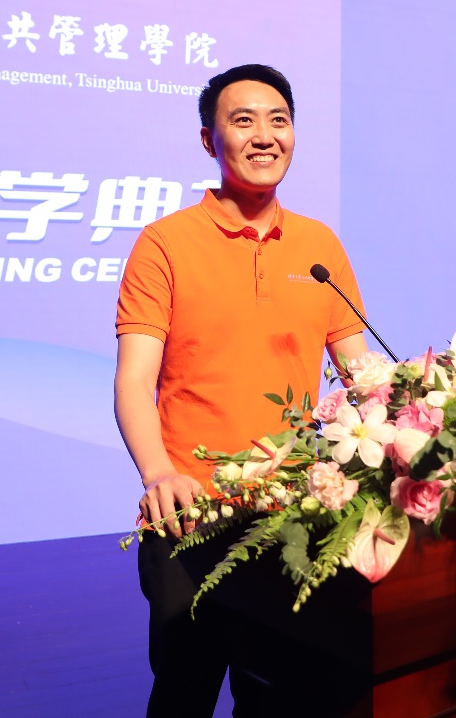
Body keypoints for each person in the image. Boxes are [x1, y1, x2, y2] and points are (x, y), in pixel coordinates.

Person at [114, 64, 369, 716]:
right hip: (191, 513)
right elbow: (134, 379)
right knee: (184, 692)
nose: (264, 136)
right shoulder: (165, 243)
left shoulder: (319, 245)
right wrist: (158, 474)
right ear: (209, 139)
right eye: (243, 120)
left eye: (278, 120)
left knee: (286, 699)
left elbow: (362, 377)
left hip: (296, 515)